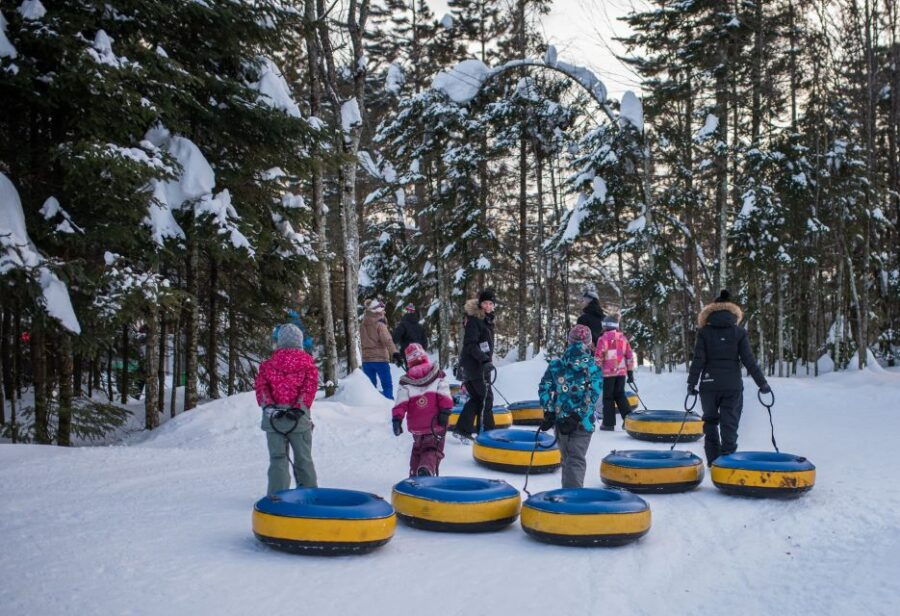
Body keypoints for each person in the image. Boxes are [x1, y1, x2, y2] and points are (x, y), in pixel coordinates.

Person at [688, 289, 770, 466]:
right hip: (732, 385)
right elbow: (748, 360)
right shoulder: (738, 332)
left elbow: (698, 360)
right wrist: (762, 383)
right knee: (729, 423)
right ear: (733, 313)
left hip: (708, 385)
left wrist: (691, 384)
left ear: (710, 312)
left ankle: (712, 461)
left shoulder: (704, 332)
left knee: (710, 422)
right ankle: (726, 462)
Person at [255, 324, 319, 496]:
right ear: (299, 341)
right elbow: (309, 388)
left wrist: (269, 406)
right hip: (298, 419)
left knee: (278, 460)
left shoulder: (268, 364)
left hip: (273, 419)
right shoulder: (308, 364)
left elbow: (262, 388)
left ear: (280, 342)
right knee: (303, 459)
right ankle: (309, 497)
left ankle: (277, 498)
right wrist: (299, 407)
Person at [538, 325, 603, 488]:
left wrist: (549, 411)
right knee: (575, 459)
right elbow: (593, 395)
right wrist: (578, 415)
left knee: (568, 458)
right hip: (583, 422)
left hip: (561, 419)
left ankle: (569, 496)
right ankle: (572, 501)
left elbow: (544, 387)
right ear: (589, 344)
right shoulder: (594, 368)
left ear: (569, 341)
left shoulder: (555, 365)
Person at [391, 343, 454, 476]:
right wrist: (445, 411)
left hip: (417, 426)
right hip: (435, 423)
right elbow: (444, 394)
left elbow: (401, 402)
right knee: (433, 449)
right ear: (424, 357)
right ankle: (426, 470)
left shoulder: (406, 382)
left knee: (418, 449)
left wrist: (397, 419)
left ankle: (414, 473)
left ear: (409, 363)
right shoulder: (438, 375)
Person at [453, 288, 497, 442]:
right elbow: (470, 345)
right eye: (485, 303)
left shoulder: (486, 321)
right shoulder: (475, 321)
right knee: (486, 399)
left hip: (478, 368)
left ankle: (462, 429)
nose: (488, 306)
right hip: (475, 367)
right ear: (480, 304)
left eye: (491, 303)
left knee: (477, 399)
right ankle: (487, 434)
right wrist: (484, 360)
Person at [595, 315, 637, 431]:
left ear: (605, 326)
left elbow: (598, 357)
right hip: (621, 373)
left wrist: (595, 369)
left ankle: (608, 424)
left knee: (608, 397)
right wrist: (630, 372)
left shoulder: (602, 339)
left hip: (608, 374)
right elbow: (629, 356)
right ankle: (628, 421)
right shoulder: (623, 338)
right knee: (620, 395)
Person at [360, 299, 397, 400]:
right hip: (380, 359)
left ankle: (372, 407)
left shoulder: (363, 323)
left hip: (366, 360)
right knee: (387, 385)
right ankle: (389, 404)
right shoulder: (380, 324)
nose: (383, 310)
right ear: (375, 310)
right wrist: (394, 352)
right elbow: (387, 340)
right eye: (381, 308)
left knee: (370, 388)